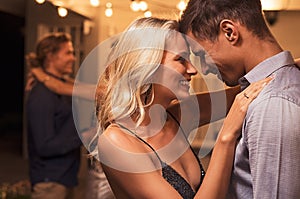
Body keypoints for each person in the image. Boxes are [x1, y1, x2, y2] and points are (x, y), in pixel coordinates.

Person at [91, 17, 272, 199]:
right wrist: (226, 137)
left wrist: (286, 66)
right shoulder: (116, 142)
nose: (193, 70)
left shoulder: (173, 116)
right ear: (146, 64)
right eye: (181, 60)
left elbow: (239, 93)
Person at [179, 0, 300, 198]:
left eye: (201, 54)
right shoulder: (267, 90)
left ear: (229, 32)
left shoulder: (273, 104)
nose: (203, 68)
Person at [26, 32, 82, 199]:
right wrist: (84, 135)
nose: (73, 58)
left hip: (65, 178)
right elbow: (44, 146)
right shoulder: (41, 95)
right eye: (68, 53)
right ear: (50, 56)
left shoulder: (62, 87)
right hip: (49, 183)